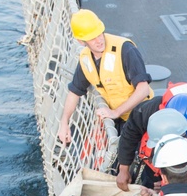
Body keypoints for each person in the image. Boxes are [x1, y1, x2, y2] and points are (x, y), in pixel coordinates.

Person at [57, 9, 152, 143]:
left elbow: (143, 89)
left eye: (99, 34)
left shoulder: (125, 49)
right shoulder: (86, 59)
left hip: (141, 116)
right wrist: (64, 123)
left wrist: (116, 112)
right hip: (120, 120)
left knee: (126, 160)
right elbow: (74, 92)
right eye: (92, 38)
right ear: (81, 41)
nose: (99, 40)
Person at [115, 81, 187, 191]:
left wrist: (171, 184)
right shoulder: (151, 109)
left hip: (182, 178)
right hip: (153, 170)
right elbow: (130, 131)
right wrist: (123, 168)